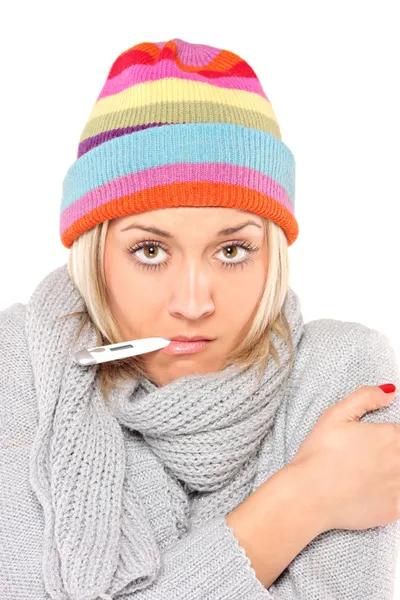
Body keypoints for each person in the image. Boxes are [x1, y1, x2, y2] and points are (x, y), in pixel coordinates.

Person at [0, 37, 399, 600]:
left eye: (232, 251)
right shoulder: (21, 360)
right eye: (150, 251)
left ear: (273, 256)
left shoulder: (340, 374)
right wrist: (302, 500)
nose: (193, 303)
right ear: (96, 255)